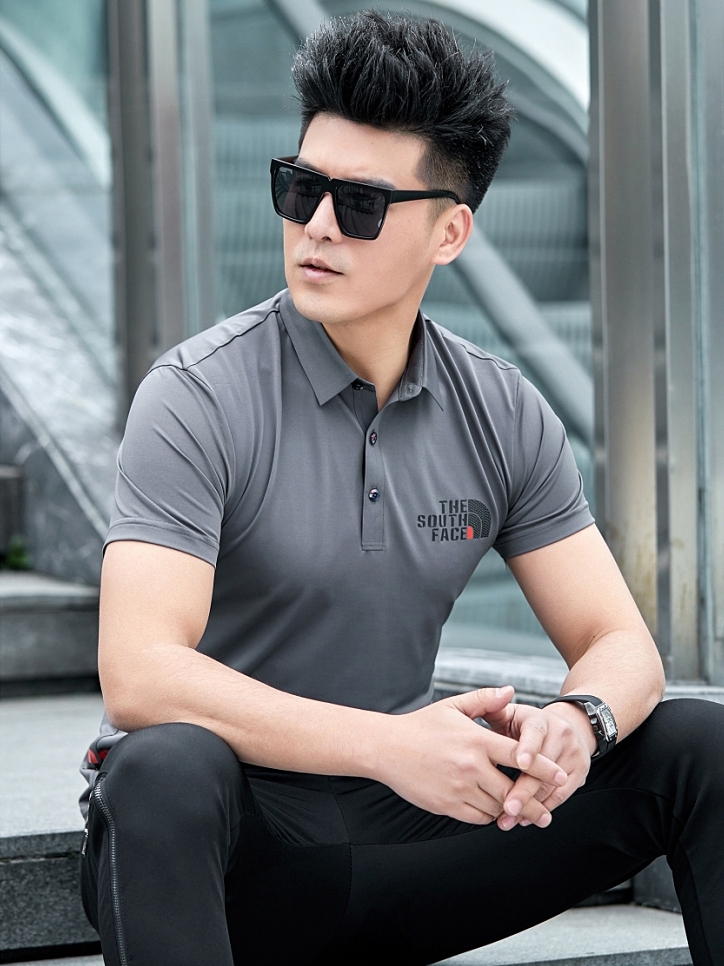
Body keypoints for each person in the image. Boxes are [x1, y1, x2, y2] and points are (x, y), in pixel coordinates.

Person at [80, 12, 723, 966]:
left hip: (406, 839)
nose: (316, 226)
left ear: (450, 231)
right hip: (232, 860)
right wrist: (389, 745)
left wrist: (576, 725)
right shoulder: (196, 395)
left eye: (362, 204)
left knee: (698, 747)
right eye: (301, 188)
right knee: (163, 766)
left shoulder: (500, 409)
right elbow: (139, 673)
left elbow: (621, 645)